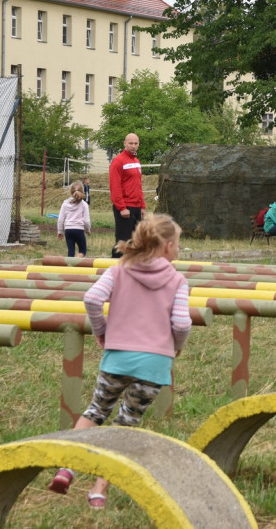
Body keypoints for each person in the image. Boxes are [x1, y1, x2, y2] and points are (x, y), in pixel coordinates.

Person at [47, 214, 191, 510]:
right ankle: (98, 491)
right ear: (167, 246)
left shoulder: (119, 270)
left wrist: (101, 331)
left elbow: (92, 299)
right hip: (154, 364)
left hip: (118, 358)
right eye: (177, 244)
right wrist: (175, 347)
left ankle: (67, 468)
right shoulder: (177, 281)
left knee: (96, 410)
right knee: (127, 423)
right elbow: (181, 323)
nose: (178, 250)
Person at [109, 133, 144, 258]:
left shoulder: (136, 161)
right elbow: (115, 186)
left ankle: (132, 266)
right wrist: (121, 207)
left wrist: (142, 206)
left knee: (137, 241)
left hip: (136, 206)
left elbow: (138, 185)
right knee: (123, 242)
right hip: (125, 207)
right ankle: (115, 266)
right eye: (131, 143)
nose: (133, 146)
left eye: (136, 143)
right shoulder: (118, 161)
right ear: (125, 144)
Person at [57, 181, 92, 257]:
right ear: (83, 191)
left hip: (68, 230)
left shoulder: (65, 203)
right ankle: (77, 259)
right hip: (79, 230)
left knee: (71, 251)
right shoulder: (84, 204)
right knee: (82, 250)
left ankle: (70, 263)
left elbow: (60, 219)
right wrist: (87, 230)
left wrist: (60, 231)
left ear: (70, 191)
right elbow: (86, 221)